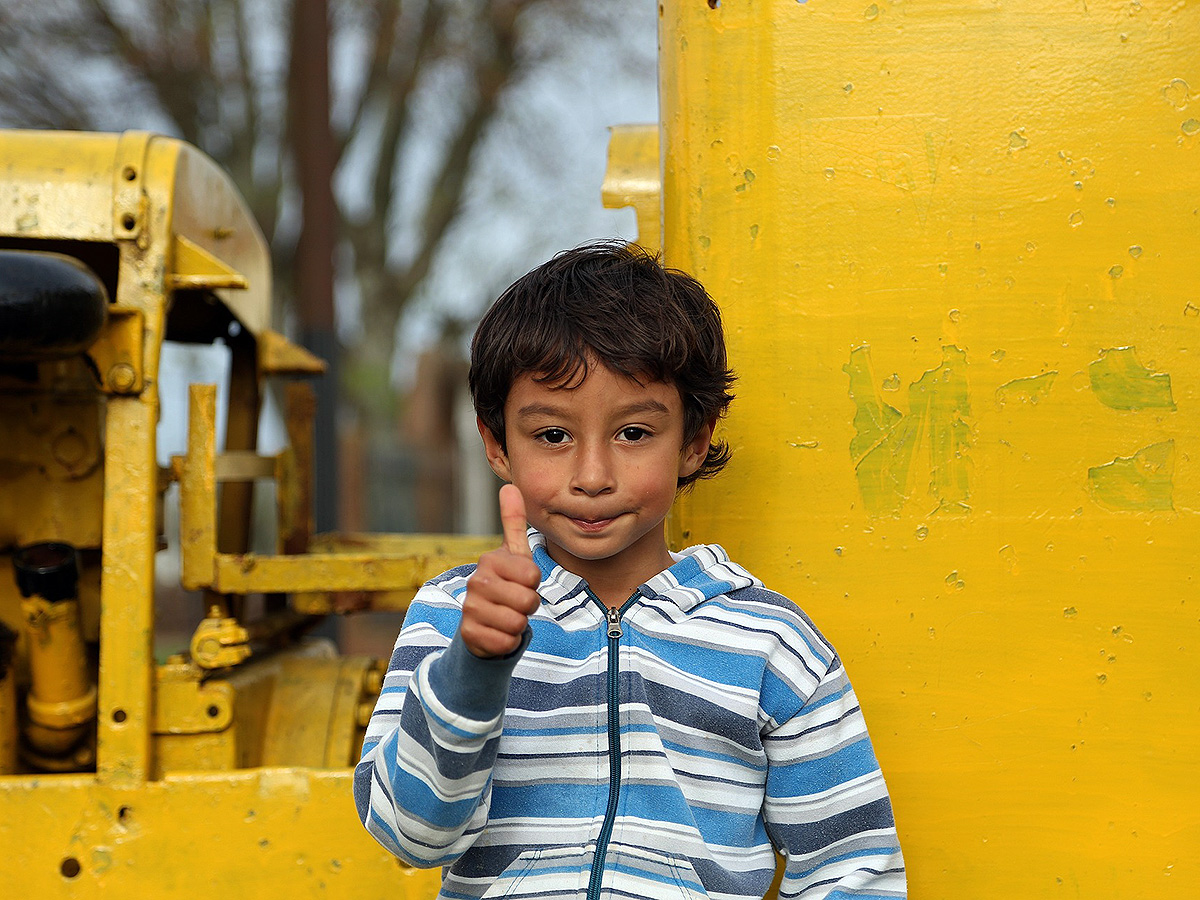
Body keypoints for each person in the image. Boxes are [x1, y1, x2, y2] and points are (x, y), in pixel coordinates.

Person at [354, 241, 906, 900]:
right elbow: (409, 836)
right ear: (497, 444)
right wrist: (473, 669)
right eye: (552, 436)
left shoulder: (773, 646)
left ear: (694, 442)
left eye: (633, 434)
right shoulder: (453, 615)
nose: (592, 477)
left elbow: (854, 869)